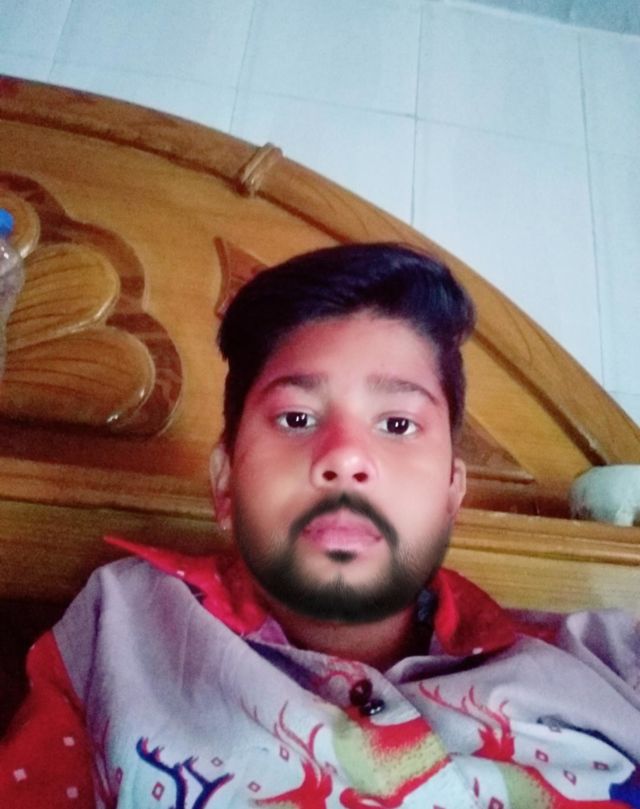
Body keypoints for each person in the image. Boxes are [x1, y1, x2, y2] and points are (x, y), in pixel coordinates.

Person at [1, 243, 638, 809]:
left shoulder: (607, 664)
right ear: (225, 482)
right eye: (297, 419)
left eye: (397, 424)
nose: (345, 457)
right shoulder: (119, 633)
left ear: (452, 490)